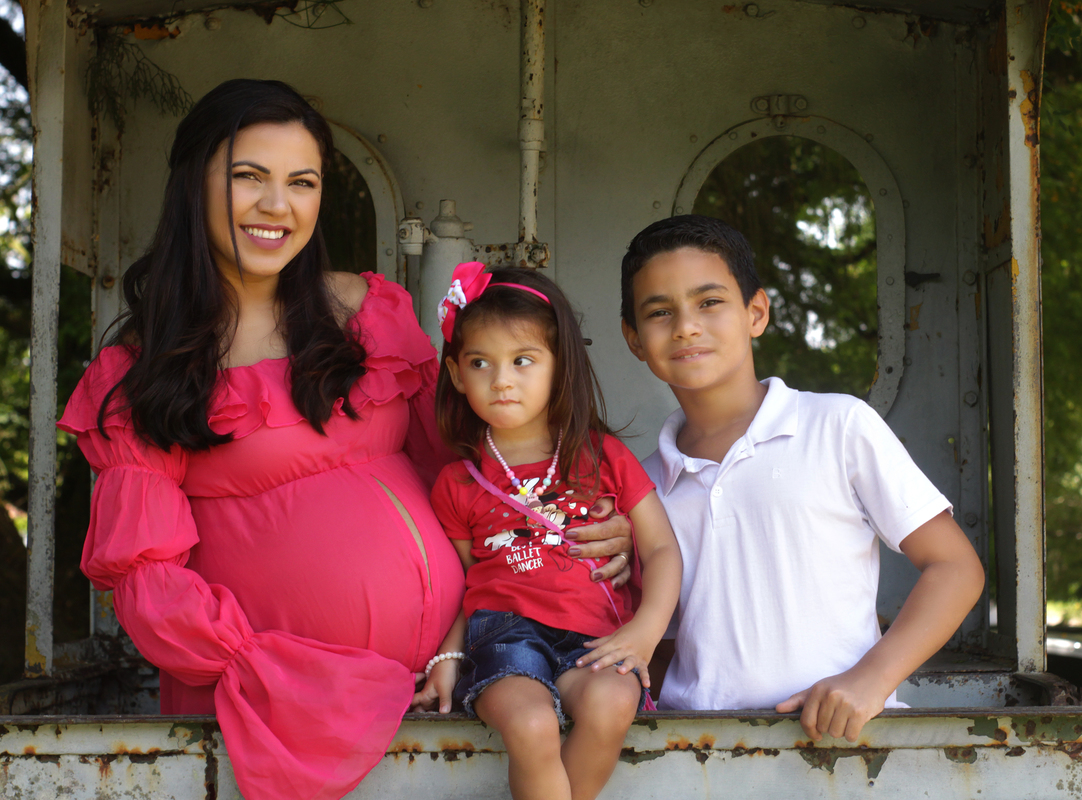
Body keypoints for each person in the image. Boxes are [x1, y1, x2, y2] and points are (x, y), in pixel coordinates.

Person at [57, 79, 631, 800]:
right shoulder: (146, 369)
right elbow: (147, 580)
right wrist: (280, 672)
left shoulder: (367, 310)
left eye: (303, 181)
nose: (277, 205)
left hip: (459, 680)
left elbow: (469, 465)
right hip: (291, 711)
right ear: (190, 184)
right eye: (247, 177)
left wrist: (572, 515)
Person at [619, 214, 986, 743]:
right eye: (659, 312)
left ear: (756, 312)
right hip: (691, 745)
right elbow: (666, 636)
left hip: (837, 747)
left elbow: (955, 568)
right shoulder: (640, 486)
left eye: (709, 302)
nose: (685, 326)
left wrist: (871, 679)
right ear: (634, 339)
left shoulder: (837, 425)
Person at [415, 263, 682, 800]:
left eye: (522, 360)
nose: (502, 379)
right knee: (533, 727)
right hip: (506, 638)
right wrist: (446, 660)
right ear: (455, 373)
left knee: (611, 706)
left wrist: (646, 631)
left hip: (598, 636)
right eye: (480, 363)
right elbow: (471, 589)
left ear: (560, 367)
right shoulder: (457, 481)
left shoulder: (603, 455)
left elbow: (661, 548)